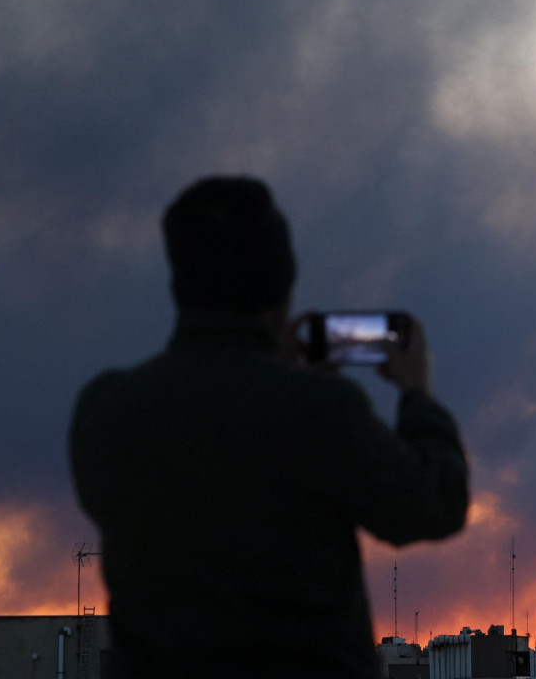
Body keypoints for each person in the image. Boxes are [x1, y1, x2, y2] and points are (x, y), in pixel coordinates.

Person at [68, 176, 469, 677]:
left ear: (181, 285)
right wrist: (416, 394)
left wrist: (271, 377)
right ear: (281, 286)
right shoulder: (319, 411)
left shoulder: (106, 410)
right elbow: (435, 504)